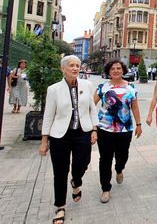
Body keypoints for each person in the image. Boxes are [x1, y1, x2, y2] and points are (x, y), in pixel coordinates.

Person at [38, 55, 99, 224]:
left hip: (83, 132)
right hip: (60, 136)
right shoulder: (54, 89)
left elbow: (92, 109)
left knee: (83, 162)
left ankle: (76, 181)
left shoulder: (87, 85)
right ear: (63, 69)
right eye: (71, 65)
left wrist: (94, 129)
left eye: (77, 65)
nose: (75, 68)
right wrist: (44, 141)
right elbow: (48, 116)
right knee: (60, 172)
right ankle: (60, 206)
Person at [94, 59, 142, 203]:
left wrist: (139, 124)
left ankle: (119, 169)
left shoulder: (131, 87)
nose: (116, 70)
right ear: (108, 71)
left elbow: (134, 106)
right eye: (113, 68)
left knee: (123, 155)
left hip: (125, 129)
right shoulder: (102, 87)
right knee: (105, 159)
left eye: (118, 68)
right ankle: (106, 188)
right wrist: (92, 127)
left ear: (123, 70)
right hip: (104, 129)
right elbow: (91, 104)